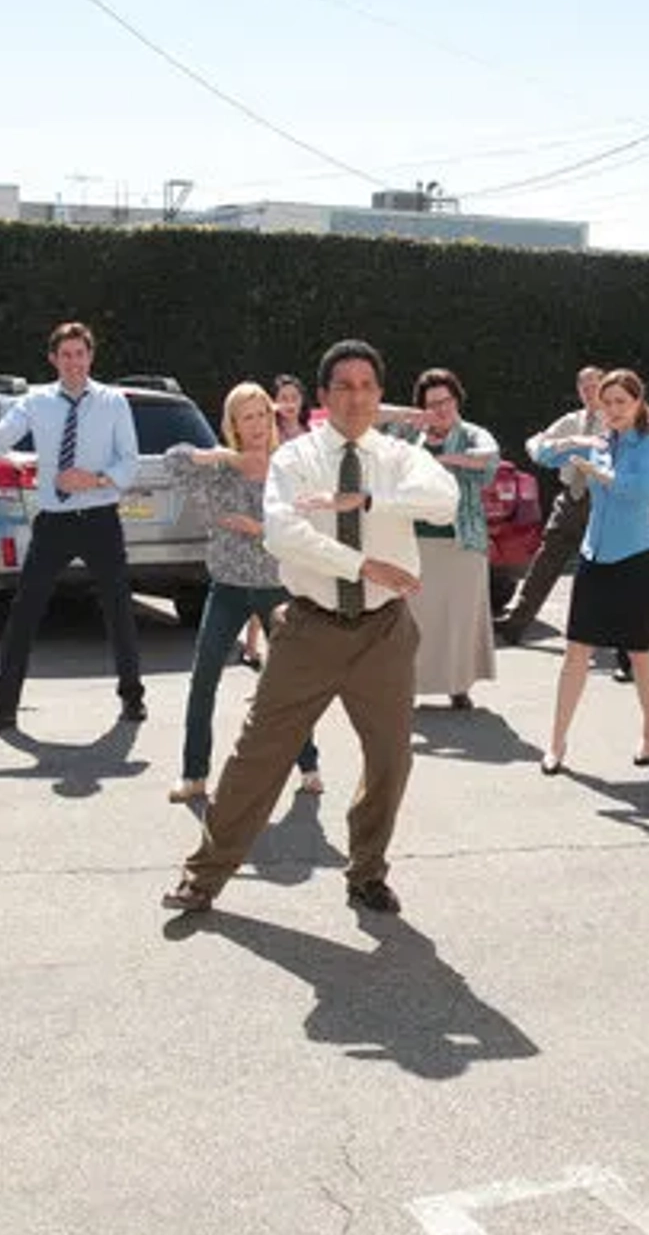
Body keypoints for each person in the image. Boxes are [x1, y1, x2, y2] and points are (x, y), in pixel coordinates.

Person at [160, 339, 458, 915]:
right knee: (258, 755)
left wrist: (368, 500)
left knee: (391, 759)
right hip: (309, 630)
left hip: (383, 631)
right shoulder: (296, 459)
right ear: (323, 396)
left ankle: (367, 872)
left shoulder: (398, 457)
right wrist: (362, 564)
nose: (356, 397)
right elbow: (281, 533)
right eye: (343, 386)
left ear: (379, 395)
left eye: (367, 386)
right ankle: (204, 875)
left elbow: (442, 500)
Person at [0, 322, 146, 735]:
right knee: (24, 613)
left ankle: (133, 697)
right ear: (53, 359)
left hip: (100, 519)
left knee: (118, 611)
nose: (74, 362)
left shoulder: (113, 402)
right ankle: (2, 711)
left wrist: (93, 480)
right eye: (66, 355)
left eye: (80, 354)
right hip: (54, 523)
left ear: (90, 357)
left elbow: (129, 464)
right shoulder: (36, 402)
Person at [163, 381, 324, 803]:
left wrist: (260, 529)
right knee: (203, 680)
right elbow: (172, 460)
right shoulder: (220, 467)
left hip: (276, 589)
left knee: (288, 684)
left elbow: (307, 524)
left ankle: (309, 765)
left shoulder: (289, 465)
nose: (256, 424)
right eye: (246, 416)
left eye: (261, 415)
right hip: (228, 588)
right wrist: (220, 454)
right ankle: (193, 774)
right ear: (233, 423)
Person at [528, 369, 649, 775]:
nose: (613, 410)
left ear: (638, 403)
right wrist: (571, 441)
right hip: (594, 557)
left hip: (636, 557)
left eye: (621, 402)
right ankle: (556, 743)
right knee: (576, 651)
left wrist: (597, 472)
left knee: (639, 652)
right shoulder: (597, 441)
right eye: (607, 403)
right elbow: (536, 450)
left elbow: (638, 490)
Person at [394, 368, 499, 710]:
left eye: (446, 400)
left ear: (457, 399)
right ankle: (407, 684)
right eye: (432, 403)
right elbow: (369, 425)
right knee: (413, 620)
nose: (441, 409)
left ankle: (458, 686)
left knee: (459, 618)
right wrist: (408, 417)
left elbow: (489, 458)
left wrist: (443, 460)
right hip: (414, 542)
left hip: (462, 543)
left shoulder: (471, 434)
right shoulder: (409, 436)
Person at [493, 366, 605, 644]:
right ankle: (516, 623)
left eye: (595, 385)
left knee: (601, 571)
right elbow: (537, 441)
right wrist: (548, 447)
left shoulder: (617, 418)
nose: (590, 391)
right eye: (584, 386)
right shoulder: (572, 421)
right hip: (570, 499)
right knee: (545, 561)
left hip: (603, 501)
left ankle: (607, 637)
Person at [240, 372, 316, 671]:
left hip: (304, 511)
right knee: (268, 578)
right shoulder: (269, 432)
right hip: (273, 509)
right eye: (283, 398)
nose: (289, 404)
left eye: (294, 398)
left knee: (297, 579)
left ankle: (296, 645)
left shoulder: (310, 431)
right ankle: (251, 645)